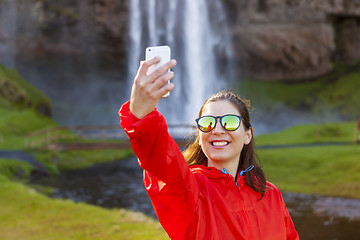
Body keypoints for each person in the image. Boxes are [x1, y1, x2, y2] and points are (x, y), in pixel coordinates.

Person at [119, 57, 299, 239]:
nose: (217, 130)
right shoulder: (192, 192)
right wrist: (141, 115)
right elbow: (163, 164)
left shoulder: (270, 194)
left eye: (229, 122)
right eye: (207, 123)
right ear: (199, 135)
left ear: (248, 134)